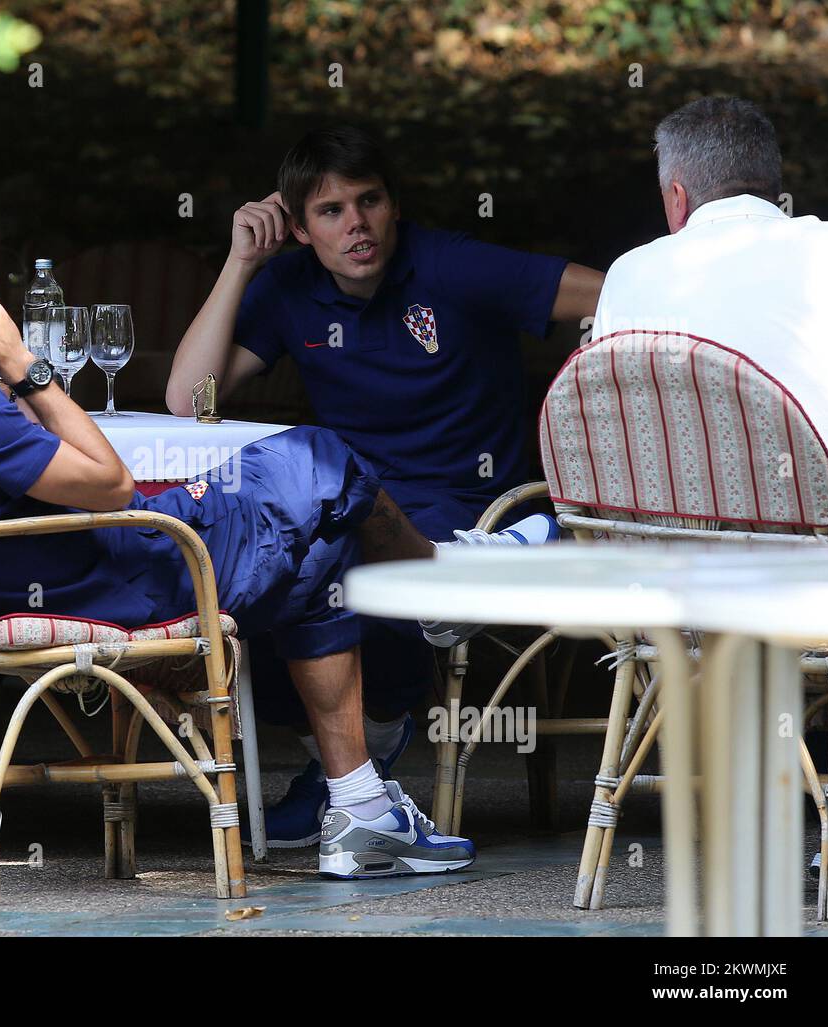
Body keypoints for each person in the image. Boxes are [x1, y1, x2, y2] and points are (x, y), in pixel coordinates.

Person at [0, 210, 554, 876]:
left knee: (319, 540)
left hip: (44, 575)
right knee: (327, 460)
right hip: (131, 575)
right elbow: (112, 483)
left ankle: (361, 810)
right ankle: (443, 588)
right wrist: (22, 362)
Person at [165, 126, 592, 845]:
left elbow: (614, 294)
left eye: (370, 201)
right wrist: (241, 263)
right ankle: (350, 764)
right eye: (330, 211)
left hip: (465, 503)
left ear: (394, 205)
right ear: (298, 228)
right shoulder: (288, 284)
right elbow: (191, 398)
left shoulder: (453, 265)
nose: (356, 224)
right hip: (351, 499)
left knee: (346, 568)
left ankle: (365, 756)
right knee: (249, 585)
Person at [592, 96, 828, 446]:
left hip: (669, 500)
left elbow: (610, 424)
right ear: (774, 186)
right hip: (820, 498)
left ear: (678, 196)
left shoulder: (627, 272)